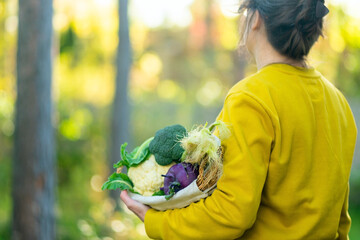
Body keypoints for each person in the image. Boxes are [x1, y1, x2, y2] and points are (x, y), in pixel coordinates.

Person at [120, 0, 357, 239]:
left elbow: (230, 213)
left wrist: (156, 221)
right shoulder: (338, 103)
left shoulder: (251, 98)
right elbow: (340, 219)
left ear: (255, 19)